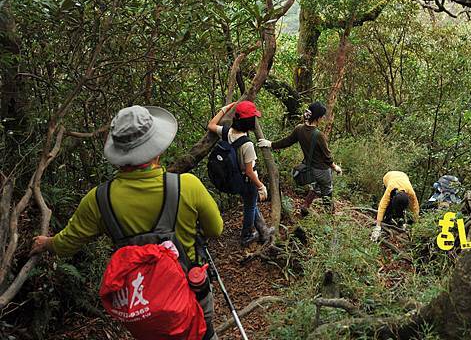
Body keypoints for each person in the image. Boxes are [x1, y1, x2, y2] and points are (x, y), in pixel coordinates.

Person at [30, 105, 224, 339]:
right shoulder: (187, 185)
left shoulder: (99, 199)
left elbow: (66, 245)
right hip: (191, 291)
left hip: (142, 304)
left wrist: (46, 243)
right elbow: (216, 229)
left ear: (118, 154)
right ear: (157, 149)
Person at [207, 100, 274, 247]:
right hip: (247, 181)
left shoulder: (227, 132)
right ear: (250, 123)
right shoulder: (247, 144)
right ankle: (247, 235)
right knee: (250, 206)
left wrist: (224, 109)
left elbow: (211, 125)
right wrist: (261, 186)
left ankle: (263, 230)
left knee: (251, 204)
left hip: (235, 178)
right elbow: (249, 171)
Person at [258, 102, 342, 216]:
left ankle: (305, 206)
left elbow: (286, 142)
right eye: (322, 117)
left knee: (317, 186)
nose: (323, 119)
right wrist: (336, 167)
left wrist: (271, 144)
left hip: (310, 169)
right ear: (318, 118)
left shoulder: (299, 129)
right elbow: (327, 158)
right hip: (322, 170)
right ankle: (330, 215)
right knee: (327, 190)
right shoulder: (319, 135)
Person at [370, 171, 419, 241]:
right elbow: (382, 206)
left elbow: (415, 208)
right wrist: (378, 226)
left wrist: (415, 224)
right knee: (388, 205)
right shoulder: (390, 189)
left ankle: (400, 222)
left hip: (403, 176)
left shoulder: (411, 193)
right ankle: (387, 219)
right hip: (388, 177)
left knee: (400, 207)